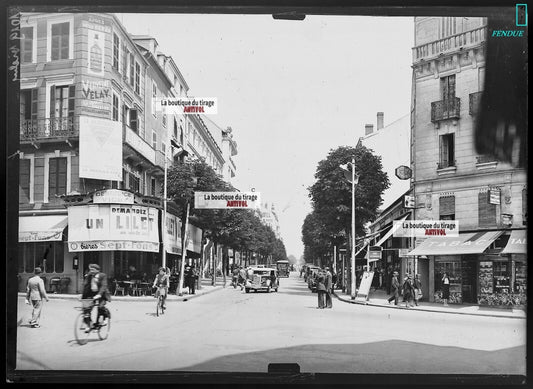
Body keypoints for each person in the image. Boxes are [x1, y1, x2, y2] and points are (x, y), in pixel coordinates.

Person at [81, 264, 111, 331]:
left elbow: (104, 286)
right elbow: (86, 286)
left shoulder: (102, 275)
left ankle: (104, 318)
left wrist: (99, 294)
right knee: (86, 309)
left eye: (93, 269)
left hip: (102, 294)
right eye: (90, 269)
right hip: (92, 294)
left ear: (97, 270)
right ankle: (90, 325)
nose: (91, 271)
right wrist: (82, 296)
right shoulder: (89, 276)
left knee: (100, 307)